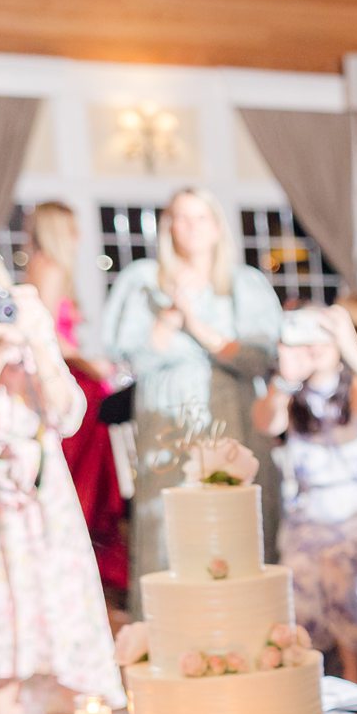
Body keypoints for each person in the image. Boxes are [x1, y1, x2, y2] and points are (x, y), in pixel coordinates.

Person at [101, 187, 282, 599]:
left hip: (232, 415)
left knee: (233, 511)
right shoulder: (143, 281)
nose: (192, 228)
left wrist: (195, 323)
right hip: (166, 419)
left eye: (201, 218)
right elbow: (133, 359)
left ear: (217, 227)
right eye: (182, 218)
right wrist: (168, 318)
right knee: (170, 517)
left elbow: (257, 358)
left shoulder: (243, 282)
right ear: (168, 227)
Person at [0, 257, 122, 714]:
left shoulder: (23, 322)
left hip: (47, 516)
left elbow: (67, 414)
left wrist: (38, 341)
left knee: (69, 656)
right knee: (3, 667)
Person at [252, 305, 357, 680]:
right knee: (298, 567)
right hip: (312, 511)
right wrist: (286, 378)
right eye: (305, 335)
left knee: (344, 557)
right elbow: (265, 421)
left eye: (323, 334)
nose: (315, 345)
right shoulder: (291, 394)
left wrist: (352, 348)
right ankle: (330, 668)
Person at [23, 200, 127, 602]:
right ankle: (77, 574)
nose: (80, 237)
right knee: (80, 484)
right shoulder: (49, 267)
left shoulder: (48, 268)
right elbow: (45, 335)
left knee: (88, 483)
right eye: (72, 228)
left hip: (78, 386)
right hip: (71, 389)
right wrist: (92, 363)